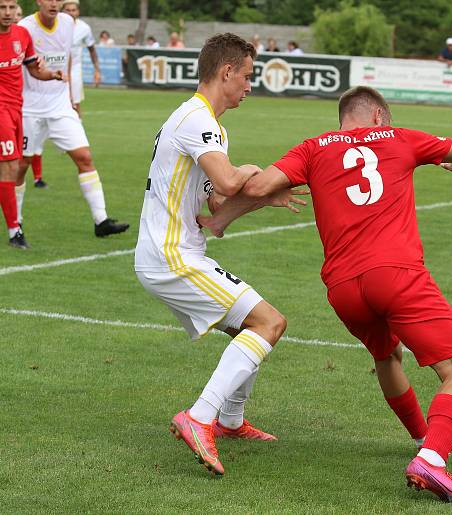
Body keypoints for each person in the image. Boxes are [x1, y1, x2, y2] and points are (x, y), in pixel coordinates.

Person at [199, 86, 452, 503]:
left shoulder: (314, 149)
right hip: (396, 275)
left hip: (343, 290)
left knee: (386, 355)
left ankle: (424, 437)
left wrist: (221, 215)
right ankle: (432, 458)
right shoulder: (400, 137)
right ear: (379, 118)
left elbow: (260, 187)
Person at [135, 33, 306, 476]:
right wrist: (254, 174)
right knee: (269, 323)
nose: (250, 86)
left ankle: (229, 421)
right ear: (226, 71)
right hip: (172, 256)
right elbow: (230, 182)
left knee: (249, 328)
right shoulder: (198, 120)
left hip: (177, 252)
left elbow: (216, 204)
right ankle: (200, 417)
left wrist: (259, 198)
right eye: (247, 76)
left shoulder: (208, 124)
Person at [17, 0, 128, 239]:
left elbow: (66, 56)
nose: (54, 3)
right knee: (21, 165)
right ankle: (16, 224)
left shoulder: (68, 23)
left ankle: (101, 221)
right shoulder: (25, 26)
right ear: (39, 1)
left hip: (60, 105)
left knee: (84, 157)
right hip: (30, 108)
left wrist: (70, 97)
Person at [0, 0, 62, 248]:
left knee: (13, 168)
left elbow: (34, 70)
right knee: (9, 166)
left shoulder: (22, 35)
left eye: (11, 7)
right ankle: (15, 230)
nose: (7, 13)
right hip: (1, 111)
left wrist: (52, 74)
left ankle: (14, 225)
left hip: (17, 109)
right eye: (2, 7)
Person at [62, 0, 101, 115]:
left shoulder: (84, 28)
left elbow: (92, 50)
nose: (70, 13)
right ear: (62, 11)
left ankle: (78, 124)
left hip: (74, 68)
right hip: (57, 67)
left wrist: (97, 70)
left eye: (73, 10)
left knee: (75, 100)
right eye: (67, 10)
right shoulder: (56, 25)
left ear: (78, 12)